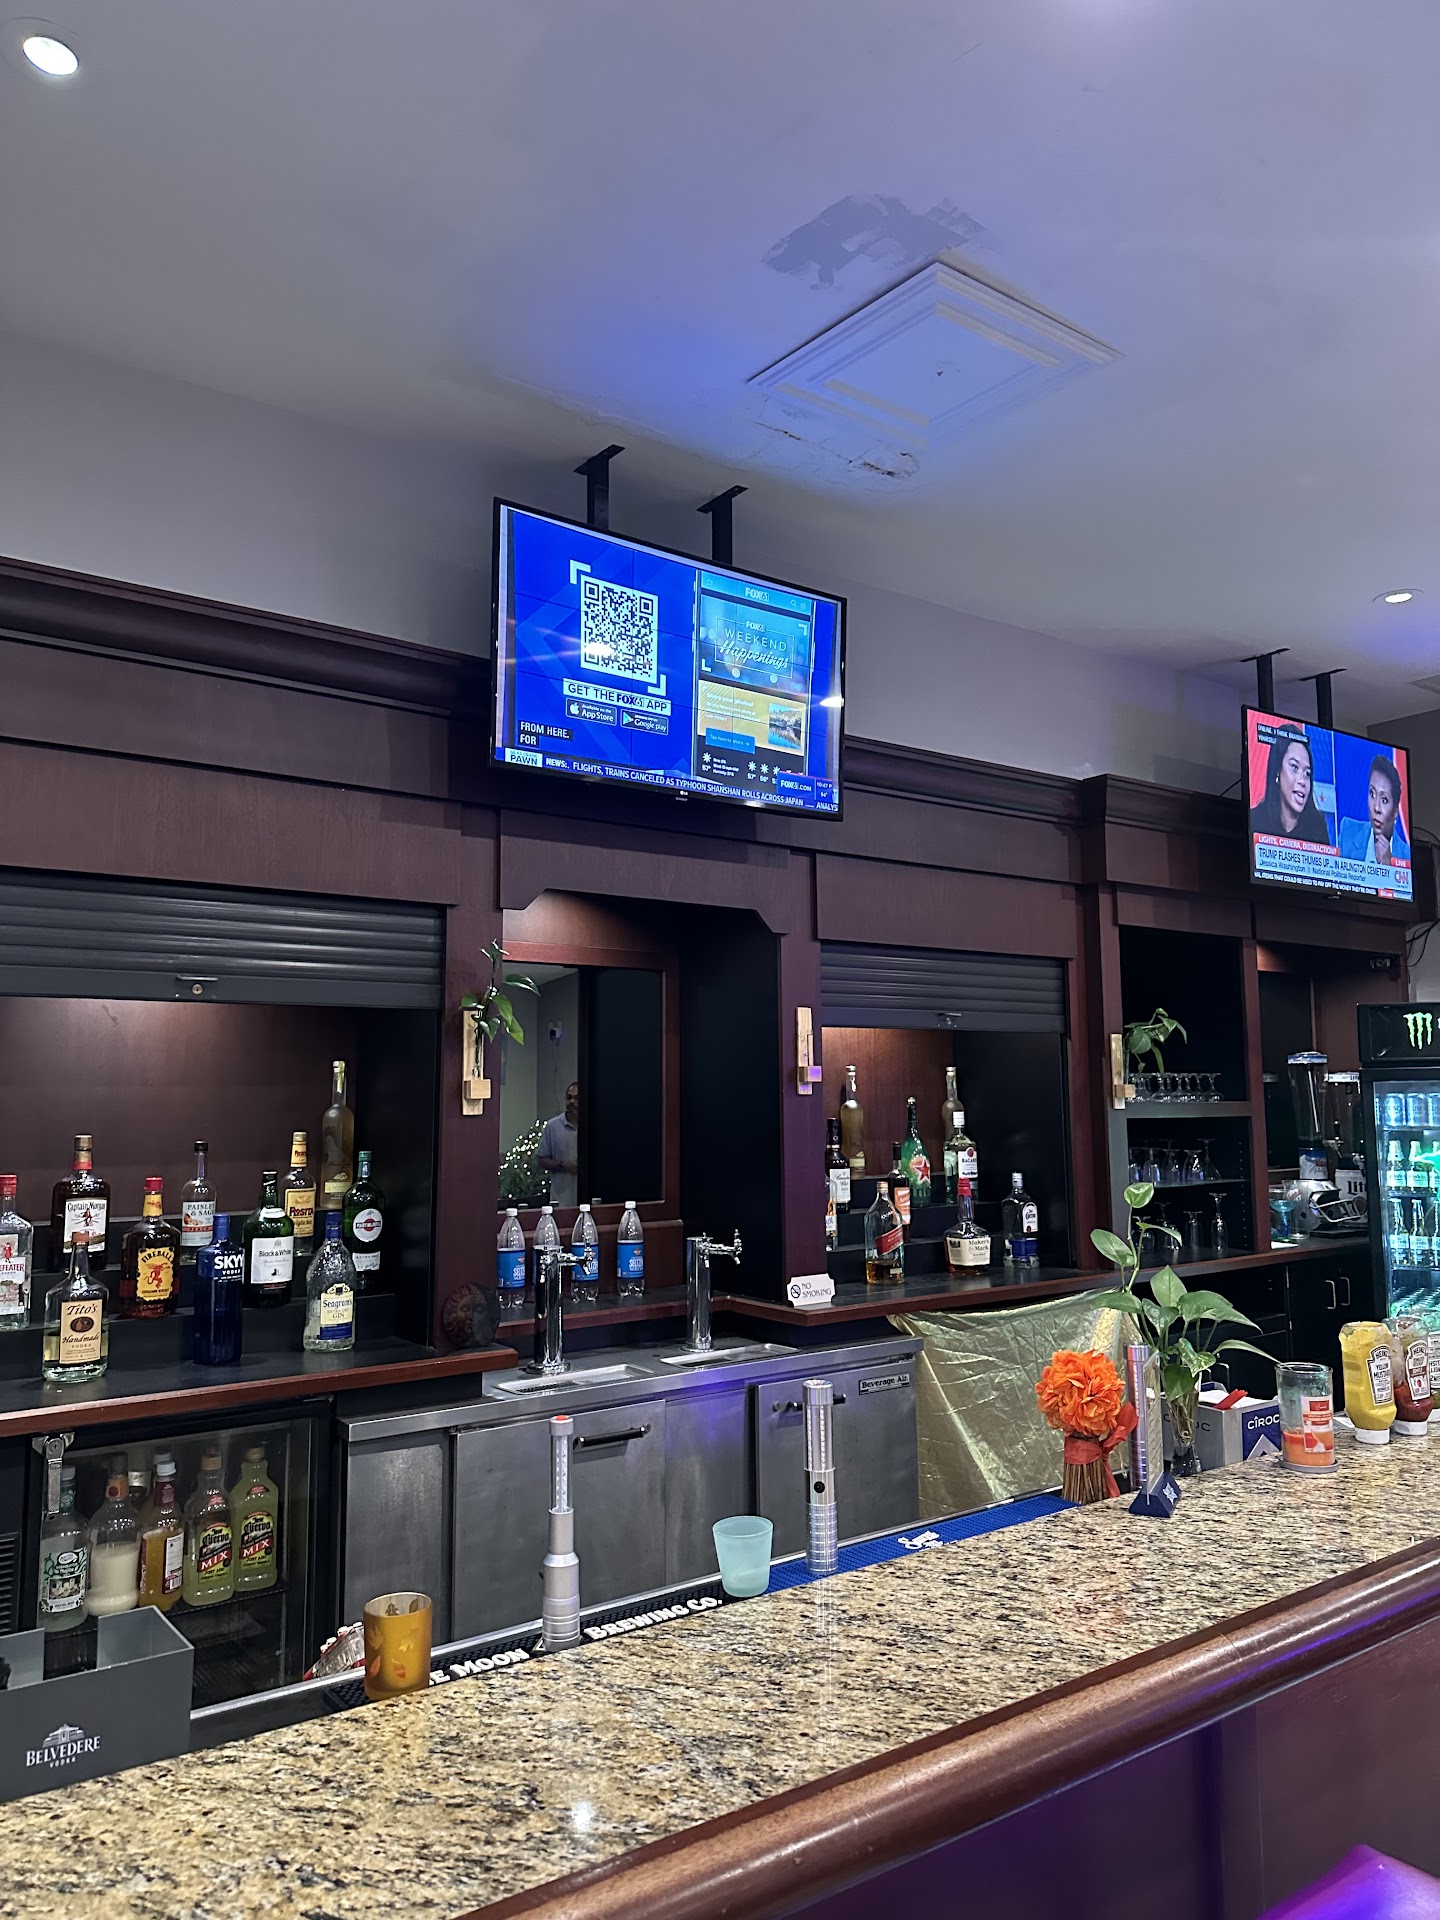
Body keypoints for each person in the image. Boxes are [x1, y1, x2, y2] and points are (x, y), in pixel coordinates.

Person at [1249, 729, 1331, 844]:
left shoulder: (1317, 827)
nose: (1302, 781)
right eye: (1294, 767)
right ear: (1278, 770)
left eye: (1307, 773)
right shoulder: (1255, 819)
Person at [1339, 755, 1409, 867]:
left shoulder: (1407, 856)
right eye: (1372, 794)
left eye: (1384, 800)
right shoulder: (1348, 831)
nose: (1376, 808)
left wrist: (1390, 866)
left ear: (1395, 811)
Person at [538, 1081, 579, 1208]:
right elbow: (542, 1160)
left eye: (576, 1098)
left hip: (589, 1201)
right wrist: (563, 1165)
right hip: (561, 1201)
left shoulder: (594, 1124)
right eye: (569, 1097)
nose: (572, 1102)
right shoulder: (553, 1126)